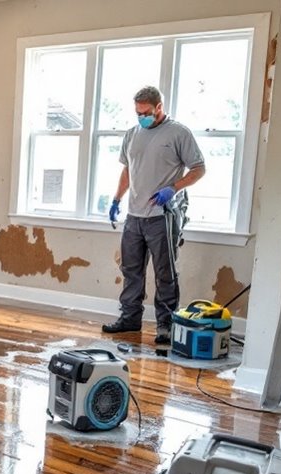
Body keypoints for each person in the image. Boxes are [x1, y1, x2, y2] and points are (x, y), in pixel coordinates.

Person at [103, 86, 205, 345]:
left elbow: (199, 168)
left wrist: (174, 188)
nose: (141, 117)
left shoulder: (178, 133)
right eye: (138, 113)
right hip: (134, 216)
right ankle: (129, 319)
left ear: (159, 107)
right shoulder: (132, 134)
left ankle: (166, 325)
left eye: (146, 113)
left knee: (165, 272)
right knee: (131, 271)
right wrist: (116, 198)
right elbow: (128, 171)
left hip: (163, 215)